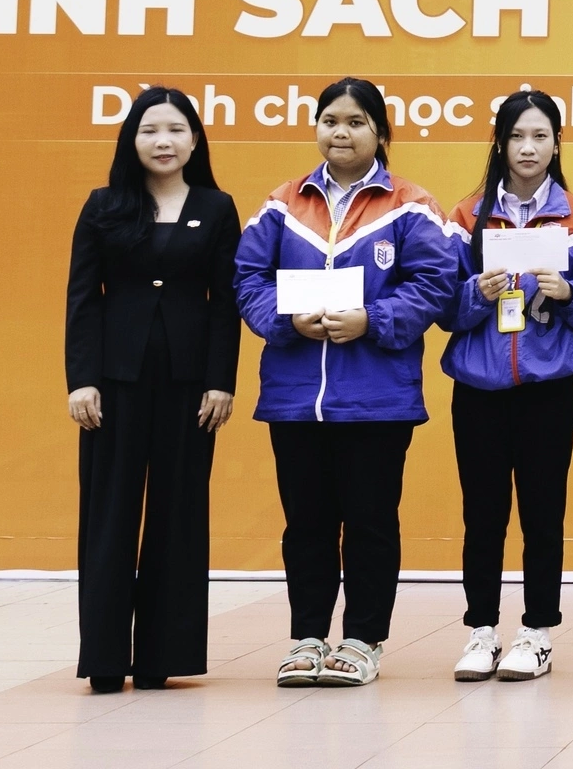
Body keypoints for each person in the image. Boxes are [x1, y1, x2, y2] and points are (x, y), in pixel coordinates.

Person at [232, 78, 454, 687]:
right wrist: (285, 319)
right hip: (295, 398)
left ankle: (361, 641)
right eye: (331, 120)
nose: (341, 132)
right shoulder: (281, 204)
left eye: (356, 122)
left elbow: (435, 284)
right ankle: (307, 639)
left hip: (378, 398)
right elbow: (248, 278)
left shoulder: (411, 206)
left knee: (370, 523)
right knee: (305, 525)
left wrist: (372, 320)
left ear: (380, 133)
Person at [441, 90, 573, 683]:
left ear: (557, 144)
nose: (528, 147)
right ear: (499, 143)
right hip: (478, 388)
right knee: (482, 514)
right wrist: (476, 294)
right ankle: (481, 630)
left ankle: (538, 632)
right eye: (517, 136)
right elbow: (441, 306)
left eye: (540, 136)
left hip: (548, 387)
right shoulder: (466, 216)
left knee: (544, 512)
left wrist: (571, 293)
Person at [65, 86, 241, 693]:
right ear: (131, 140)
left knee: (179, 513)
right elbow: (83, 298)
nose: (162, 141)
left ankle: (163, 655)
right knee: (109, 514)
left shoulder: (217, 207)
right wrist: (82, 380)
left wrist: (220, 381)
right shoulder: (104, 205)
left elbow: (225, 304)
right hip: (113, 384)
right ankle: (105, 657)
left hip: (190, 387)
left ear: (194, 140)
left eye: (175, 130)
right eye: (149, 130)